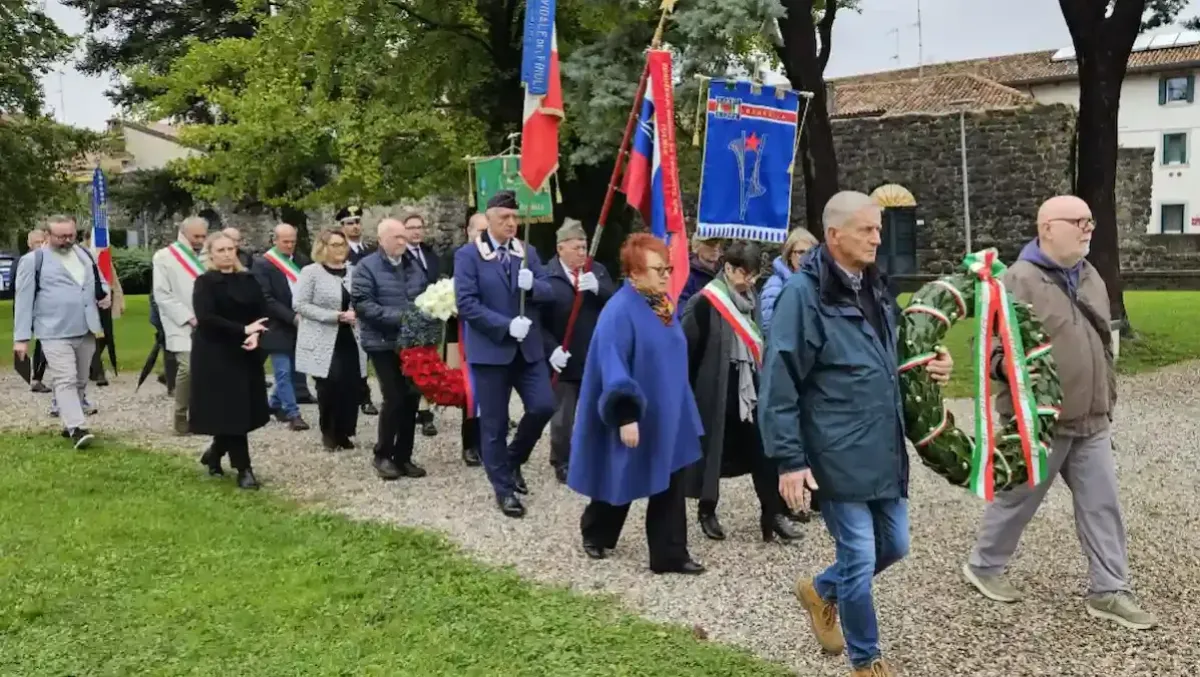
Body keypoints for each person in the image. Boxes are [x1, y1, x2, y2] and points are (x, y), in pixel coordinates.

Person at [759, 191, 953, 677]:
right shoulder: (802, 298)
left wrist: (935, 365)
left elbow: (898, 357)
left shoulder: (877, 286)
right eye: (867, 229)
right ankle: (866, 660)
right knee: (861, 552)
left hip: (881, 446)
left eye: (878, 228)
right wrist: (790, 460)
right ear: (834, 235)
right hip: (835, 451)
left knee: (896, 545)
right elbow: (778, 382)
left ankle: (822, 590)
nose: (877, 238)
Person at [961, 195, 1157, 630]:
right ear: (1047, 227)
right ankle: (984, 566)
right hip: (1041, 422)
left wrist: (1107, 393)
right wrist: (1011, 375)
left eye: (1090, 221)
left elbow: (1102, 342)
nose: (1089, 228)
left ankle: (1109, 589)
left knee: (1102, 503)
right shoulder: (1016, 280)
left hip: (1092, 419)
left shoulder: (1090, 277)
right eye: (1079, 221)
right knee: (1018, 498)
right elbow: (988, 347)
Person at [567, 233, 705, 574]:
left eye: (667, 268)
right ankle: (597, 531)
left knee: (670, 478)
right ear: (634, 272)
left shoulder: (661, 304)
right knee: (623, 474)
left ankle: (669, 554)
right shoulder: (619, 311)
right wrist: (626, 413)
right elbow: (611, 363)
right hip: (636, 412)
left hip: (669, 412)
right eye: (657, 269)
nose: (665, 275)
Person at [681, 241, 799, 543]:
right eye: (744, 274)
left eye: (754, 276)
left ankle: (772, 513)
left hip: (751, 389)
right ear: (728, 268)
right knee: (713, 454)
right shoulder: (705, 302)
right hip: (715, 390)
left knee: (763, 450)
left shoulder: (753, 298)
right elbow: (686, 350)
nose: (749, 282)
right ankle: (707, 510)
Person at [454, 190, 556, 518]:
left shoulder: (527, 252)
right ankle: (503, 489)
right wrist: (505, 325)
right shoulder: (469, 255)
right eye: (504, 218)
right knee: (494, 424)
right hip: (491, 352)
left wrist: (534, 287)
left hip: (528, 352)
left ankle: (512, 460)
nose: (511, 223)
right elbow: (467, 303)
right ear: (489, 219)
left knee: (543, 406)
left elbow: (549, 291)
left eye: (515, 218)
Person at [12, 215, 112, 449]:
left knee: (80, 379)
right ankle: (78, 427)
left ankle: (69, 422)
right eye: (61, 236)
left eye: (71, 235)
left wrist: (105, 294)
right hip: (53, 331)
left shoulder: (85, 254)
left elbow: (99, 280)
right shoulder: (33, 261)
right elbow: (24, 300)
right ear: (47, 236)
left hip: (86, 327)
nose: (67, 240)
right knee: (65, 379)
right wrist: (21, 339)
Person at [190, 232, 271, 490]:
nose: (226, 254)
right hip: (215, 352)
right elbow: (207, 318)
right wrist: (242, 330)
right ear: (211, 254)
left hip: (246, 351)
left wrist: (256, 334)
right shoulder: (205, 282)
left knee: (239, 411)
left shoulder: (248, 279)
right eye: (221, 250)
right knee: (232, 410)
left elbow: (261, 313)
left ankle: (214, 453)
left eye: (230, 249)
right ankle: (244, 469)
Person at [540, 218, 614, 483]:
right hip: (563, 358)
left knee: (596, 412)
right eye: (577, 247)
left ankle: (594, 456)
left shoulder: (598, 271)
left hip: (593, 356)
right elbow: (538, 322)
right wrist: (551, 350)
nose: (583, 252)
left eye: (584, 247)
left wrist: (599, 288)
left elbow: (616, 302)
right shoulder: (546, 276)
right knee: (562, 419)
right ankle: (561, 460)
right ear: (561, 248)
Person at [353, 218, 426, 481]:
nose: (402, 242)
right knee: (394, 397)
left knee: (411, 397)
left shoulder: (413, 265)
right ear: (382, 239)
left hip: (411, 342)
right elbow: (363, 305)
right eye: (397, 237)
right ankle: (382, 454)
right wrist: (402, 317)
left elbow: (422, 295)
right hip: (382, 343)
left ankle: (403, 456)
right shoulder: (366, 267)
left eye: (404, 237)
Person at [294, 228, 367, 451]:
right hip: (323, 337)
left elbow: (363, 297)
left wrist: (357, 312)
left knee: (351, 384)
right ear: (322, 247)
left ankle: (345, 432)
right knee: (329, 384)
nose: (339, 249)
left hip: (350, 336)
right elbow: (300, 304)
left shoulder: (354, 271)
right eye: (334, 245)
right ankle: (329, 432)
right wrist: (334, 316)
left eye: (342, 245)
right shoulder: (311, 272)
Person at [252, 223, 313, 431]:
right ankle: (293, 413)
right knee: (283, 371)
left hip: (299, 324)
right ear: (275, 240)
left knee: (295, 369)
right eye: (285, 241)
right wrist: (292, 317)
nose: (289, 246)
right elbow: (266, 298)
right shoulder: (262, 264)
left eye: (293, 242)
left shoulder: (301, 261)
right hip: (275, 325)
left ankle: (274, 404)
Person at [152, 216, 209, 435]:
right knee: (187, 367)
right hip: (181, 322)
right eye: (196, 236)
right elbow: (162, 294)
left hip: (209, 320)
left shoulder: (208, 254)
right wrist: (188, 317)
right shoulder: (164, 257)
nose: (200, 240)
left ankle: (201, 415)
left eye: (204, 236)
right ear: (184, 233)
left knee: (205, 369)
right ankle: (180, 414)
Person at [444, 212, 488, 467]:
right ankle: (470, 444)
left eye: (486, 231)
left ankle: (490, 441)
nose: (482, 236)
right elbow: (441, 286)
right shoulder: (455, 256)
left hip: (491, 332)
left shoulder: (495, 256)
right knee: (469, 390)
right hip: (460, 333)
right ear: (468, 232)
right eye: (478, 231)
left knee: (492, 388)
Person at [337, 205, 379, 417]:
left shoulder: (371, 250)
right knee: (358, 357)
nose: (355, 227)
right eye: (349, 223)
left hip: (373, 307)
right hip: (351, 309)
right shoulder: (339, 250)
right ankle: (363, 397)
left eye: (357, 222)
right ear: (342, 226)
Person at [403, 211, 440, 438]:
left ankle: (426, 410)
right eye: (411, 227)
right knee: (414, 365)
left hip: (432, 317)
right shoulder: (400, 257)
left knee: (430, 364)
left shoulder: (430, 254)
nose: (416, 231)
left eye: (419, 227)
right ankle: (421, 412)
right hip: (411, 318)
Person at [760, 227, 819, 335]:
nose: (806, 257)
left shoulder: (817, 283)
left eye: (810, 252)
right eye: (801, 252)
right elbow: (768, 328)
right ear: (789, 255)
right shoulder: (775, 285)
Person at [13, 229, 50, 393]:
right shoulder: (23, 261)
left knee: (43, 342)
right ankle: (32, 374)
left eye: (42, 241)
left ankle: (37, 376)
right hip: (29, 307)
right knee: (33, 341)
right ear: (29, 244)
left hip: (43, 310)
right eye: (36, 242)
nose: (40, 245)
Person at [676, 234, 722, 309]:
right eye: (710, 243)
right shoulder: (687, 274)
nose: (716, 248)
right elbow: (682, 306)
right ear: (696, 247)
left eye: (718, 243)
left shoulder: (725, 271)